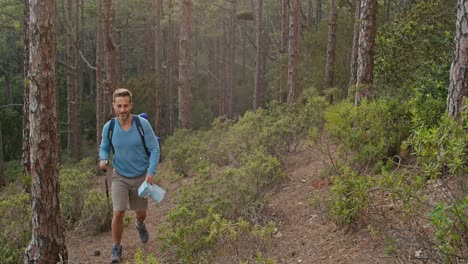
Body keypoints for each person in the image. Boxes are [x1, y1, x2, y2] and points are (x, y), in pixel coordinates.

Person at [99, 88, 160, 263]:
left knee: (140, 213)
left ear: (131, 105)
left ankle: (140, 224)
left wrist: (150, 172)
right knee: (118, 212)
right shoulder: (109, 127)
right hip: (120, 176)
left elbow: (154, 148)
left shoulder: (142, 124)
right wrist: (103, 158)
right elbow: (104, 147)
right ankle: (116, 248)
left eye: (126, 105)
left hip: (141, 177)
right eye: (119, 106)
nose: (123, 109)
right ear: (114, 106)